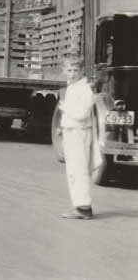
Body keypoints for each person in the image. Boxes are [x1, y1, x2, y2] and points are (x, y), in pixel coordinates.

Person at [59, 53, 98, 220]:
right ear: (63, 71)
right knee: (73, 170)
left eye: (76, 70)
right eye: (69, 70)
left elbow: (82, 113)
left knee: (79, 169)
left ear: (82, 70)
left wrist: (65, 107)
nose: (72, 73)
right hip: (71, 130)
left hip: (79, 131)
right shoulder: (72, 86)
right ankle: (79, 205)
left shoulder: (84, 88)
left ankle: (83, 207)